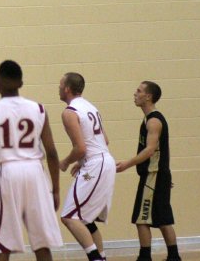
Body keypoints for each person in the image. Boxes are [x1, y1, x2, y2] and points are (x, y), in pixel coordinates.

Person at [0, 60, 62, 261]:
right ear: (21, 83)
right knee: (42, 244)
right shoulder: (39, 109)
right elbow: (52, 153)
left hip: (8, 173)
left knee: (3, 244)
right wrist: (55, 188)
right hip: (36, 173)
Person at [116, 81, 182, 261]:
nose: (135, 94)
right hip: (158, 175)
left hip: (153, 176)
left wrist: (127, 164)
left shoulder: (154, 121)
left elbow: (150, 150)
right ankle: (174, 256)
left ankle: (145, 257)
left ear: (148, 96)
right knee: (163, 219)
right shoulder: (150, 119)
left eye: (139, 91)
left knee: (142, 218)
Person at [57, 73, 115, 261]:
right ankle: (101, 257)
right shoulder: (90, 106)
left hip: (95, 165)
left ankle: (95, 258)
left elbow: (80, 148)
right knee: (85, 219)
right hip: (101, 162)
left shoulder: (69, 112)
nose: (58, 88)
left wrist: (65, 162)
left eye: (60, 84)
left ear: (67, 88)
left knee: (69, 217)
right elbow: (104, 140)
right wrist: (81, 162)